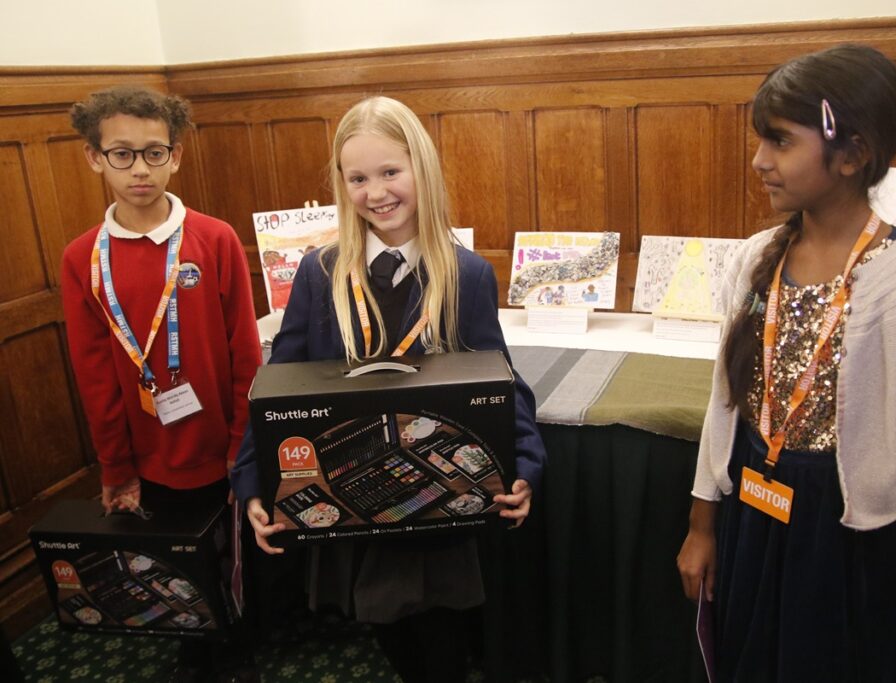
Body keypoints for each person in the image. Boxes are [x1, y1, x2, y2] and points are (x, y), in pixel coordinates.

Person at [675, 45, 896, 682]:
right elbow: (726, 403)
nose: (759, 160)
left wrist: (880, 441)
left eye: (779, 141)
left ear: (852, 155)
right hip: (756, 509)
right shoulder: (754, 260)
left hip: (851, 534)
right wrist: (701, 524)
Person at [230, 95, 546, 682]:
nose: (376, 192)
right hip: (353, 487)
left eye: (390, 172)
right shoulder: (320, 272)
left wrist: (525, 464)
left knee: (440, 638)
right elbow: (277, 386)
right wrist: (254, 480)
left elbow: (502, 380)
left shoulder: (466, 273)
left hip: (435, 496)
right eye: (358, 178)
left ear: (421, 169)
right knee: (387, 623)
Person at [61, 86, 262, 682]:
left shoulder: (215, 238)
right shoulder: (83, 258)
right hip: (148, 452)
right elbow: (94, 372)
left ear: (176, 155)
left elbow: (245, 353)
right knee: (173, 559)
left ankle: (241, 649)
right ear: (94, 158)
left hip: (222, 443)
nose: (140, 169)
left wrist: (241, 445)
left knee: (236, 555)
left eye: (154, 152)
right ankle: (193, 648)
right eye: (121, 154)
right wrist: (116, 466)